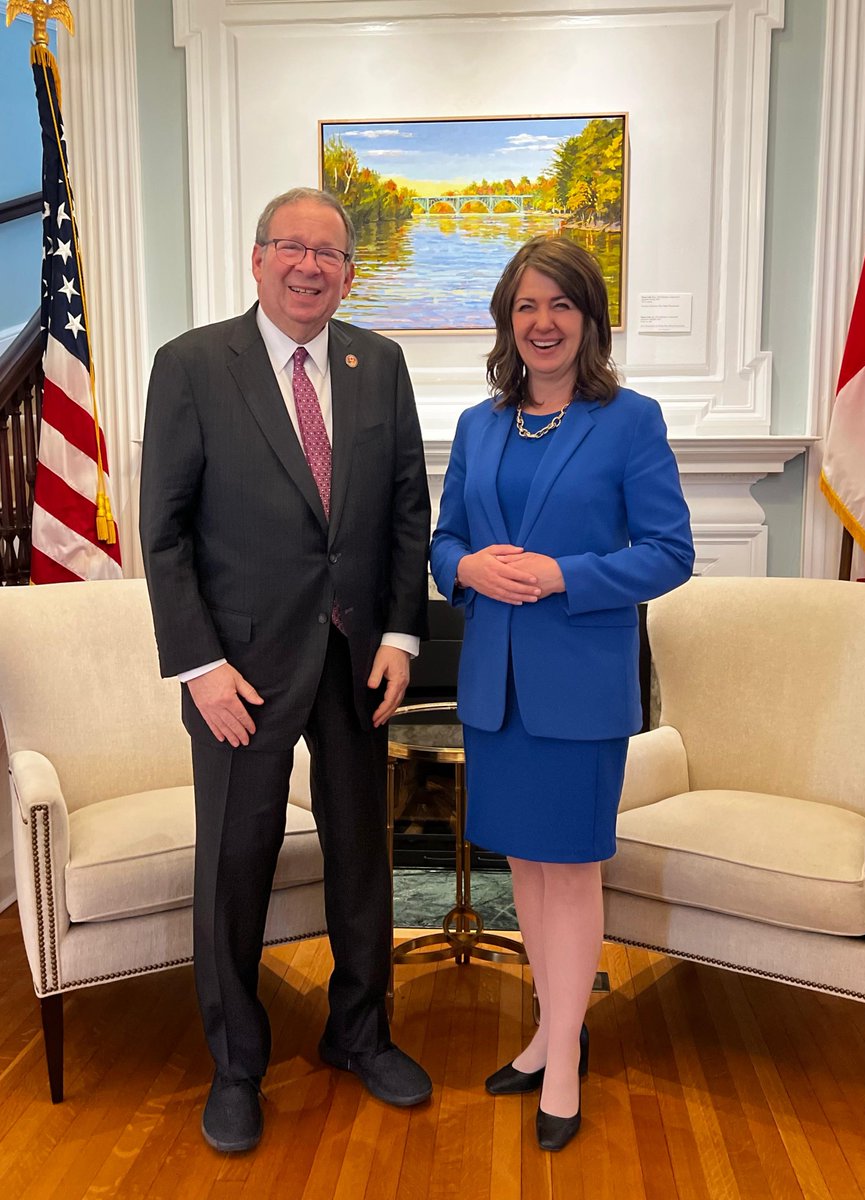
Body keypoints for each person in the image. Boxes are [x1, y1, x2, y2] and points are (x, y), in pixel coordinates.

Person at [140, 187, 432, 1153]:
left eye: (330, 254)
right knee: (235, 867)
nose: (311, 267)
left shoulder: (379, 365)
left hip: (357, 660)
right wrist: (200, 667)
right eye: (292, 248)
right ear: (257, 258)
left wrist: (400, 638)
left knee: (363, 859)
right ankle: (236, 1068)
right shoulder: (190, 366)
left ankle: (359, 1034)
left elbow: (402, 515)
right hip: (239, 675)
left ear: (351, 272)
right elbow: (166, 534)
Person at [430, 236, 694, 1152]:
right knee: (527, 871)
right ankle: (544, 1035)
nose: (542, 324)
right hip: (494, 689)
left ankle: (568, 1061)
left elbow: (670, 553)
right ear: (508, 320)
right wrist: (466, 565)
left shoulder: (630, 421)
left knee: (572, 870)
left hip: (581, 690)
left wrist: (560, 576)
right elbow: (443, 540)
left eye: (562, 306)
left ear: (589, 319)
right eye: (526, 307)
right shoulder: (479, 424)